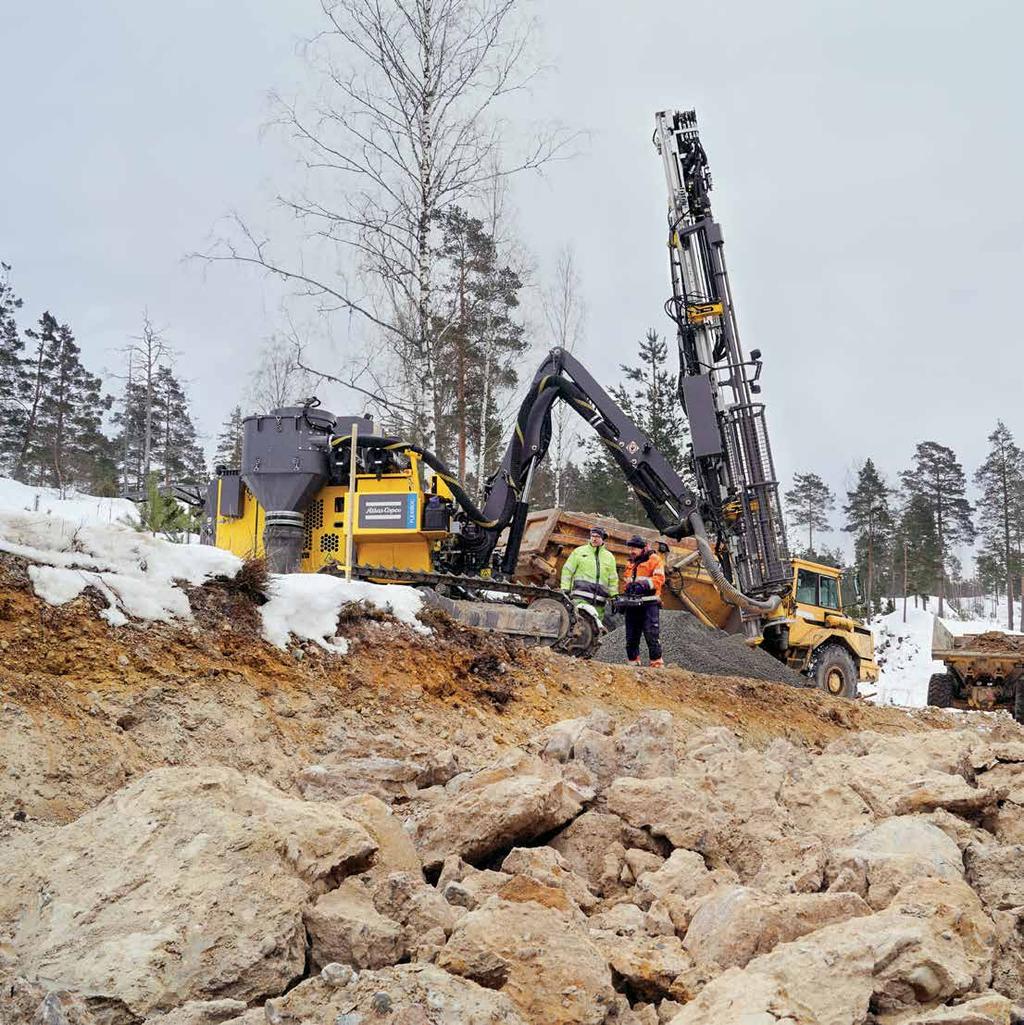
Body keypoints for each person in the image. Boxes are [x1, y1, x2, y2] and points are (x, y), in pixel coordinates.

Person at [622, 534, 665, 667]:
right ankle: (633, 664)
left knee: (651, 635)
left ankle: (656, 664)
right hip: (633, 604)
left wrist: (643, 585)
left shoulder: (655, 560)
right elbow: (626, 582)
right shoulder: (630, 563)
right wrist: (626, 594)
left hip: (649, 603)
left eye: (634, 548)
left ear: (643, 548)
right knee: (631, 637)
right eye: (630, 549)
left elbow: (659, 579)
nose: (631, 551)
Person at [560, 525, 619, 621]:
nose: (594, 539)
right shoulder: (579, 552)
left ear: (603, 538)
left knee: (596, 630)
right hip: (580, 598)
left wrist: (614, 596)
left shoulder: (609, 557)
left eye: (597, 537)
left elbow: (613, 579)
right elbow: (567, 571)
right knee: (579, 625)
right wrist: (565, 588)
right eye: (593, 536)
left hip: (599, 602)